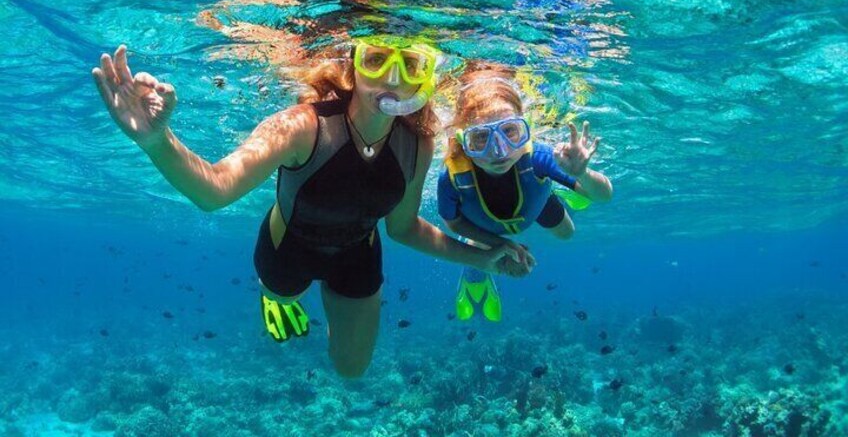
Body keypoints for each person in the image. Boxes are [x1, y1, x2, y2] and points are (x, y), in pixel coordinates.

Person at [91, 36, 531, 378]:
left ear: (423, 77)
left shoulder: (418, 143)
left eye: (410, 65)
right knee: (283, 294)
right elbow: (215, 190)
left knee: (351, 370)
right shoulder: (303, 126)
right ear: (353, 67)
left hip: (359, 253)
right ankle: (276, 297)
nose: (393, 79)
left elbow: (402, 228)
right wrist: (156, 141)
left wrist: (484, 257)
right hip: (288, 248)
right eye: (377, 60)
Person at [437, 61, 613, 322]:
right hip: (484, 226)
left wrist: (581, 175)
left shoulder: (539, 157)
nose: (499, 151)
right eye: (481, 138)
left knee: (567, 233)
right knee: (481, 250)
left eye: (510, 132)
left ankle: (563, 187)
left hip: (535, 202)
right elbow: (453, 223)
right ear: (463, 141)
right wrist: (502, 245)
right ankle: (475, 278)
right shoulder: (452, 178)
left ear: (525, 129)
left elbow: (604, 195)